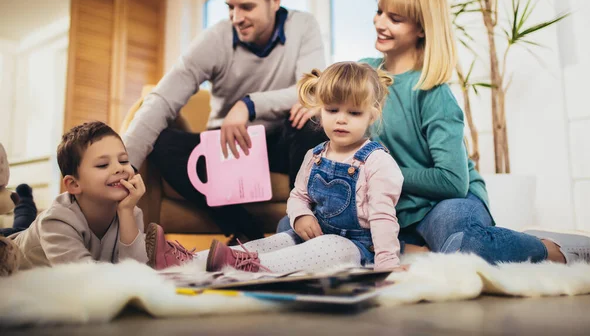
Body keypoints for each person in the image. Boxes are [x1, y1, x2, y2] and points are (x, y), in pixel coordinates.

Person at [279, 0, 590, 265]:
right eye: (380, 12)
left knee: (468, 246)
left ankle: (556, 249)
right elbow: (332, 99)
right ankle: (417, 250)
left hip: (442, 203)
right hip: (388, 204)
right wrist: (319, 105)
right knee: (290, 226)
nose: (380, 23)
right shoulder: (365, 72)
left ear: (421, 28)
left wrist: (375, 170)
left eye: (395, 18)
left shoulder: (433, 93)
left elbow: (452, 180)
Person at [123, 0, 327, 243]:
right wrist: (124, 166)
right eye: (230, 7)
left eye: (246, 7)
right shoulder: (215, 39)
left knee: (311, 120)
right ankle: (246, 231)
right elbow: (163, 99)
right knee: (163, 142)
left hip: (281, 142)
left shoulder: (303, 26)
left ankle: (300, 225)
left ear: (275, 0)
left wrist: (249, 104)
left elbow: (311, 88)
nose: (236, 18)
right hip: (227, 146)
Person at [145, 62, 404, 272]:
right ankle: (187, 261)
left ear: (372, 114)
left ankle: (245, 267)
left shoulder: (377, 161)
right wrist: (301, 215)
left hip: (356, 248)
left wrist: (387, 265)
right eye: (332, 110)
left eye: (354, 113)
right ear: (319, 110)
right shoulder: (315, 156)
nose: (341, 120)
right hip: (312, 237)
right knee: (277, 241)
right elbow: (298, 196)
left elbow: (383, 218)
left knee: (331, 247)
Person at [0, 121, 148, 275]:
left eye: (123, 160)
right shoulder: (55, 222)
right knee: (22, 225)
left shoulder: (131, 212)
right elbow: (86, 280)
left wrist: (126, 212)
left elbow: (138, 272)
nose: (119, 168)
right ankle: (25, 201)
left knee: (24, 222)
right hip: (6, 253)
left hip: (31, 234)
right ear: (73, 184)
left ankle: (25, 201)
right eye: (103, 165)